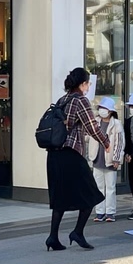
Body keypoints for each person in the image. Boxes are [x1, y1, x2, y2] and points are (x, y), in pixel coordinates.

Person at [45, 67, 111, 251]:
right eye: (88, 83)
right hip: (71, 153)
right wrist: (106, 142)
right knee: (91, 194)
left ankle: (52, 237)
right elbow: (92, 126)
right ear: (82, 84)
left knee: (59, 197)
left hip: (54, 154)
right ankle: (77, 232)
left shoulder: (62, 99)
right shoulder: (81, 100)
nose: (89, 86)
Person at [89, 96, 125, 223]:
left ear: (110, 111)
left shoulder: (116, 124)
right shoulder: (95, 122)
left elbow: (119, 143)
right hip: (97, 159)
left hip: (110, 160)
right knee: (98, 187)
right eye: (101, 108)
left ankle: (110, 212)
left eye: (104, 108)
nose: (102, 110)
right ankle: (99, 212)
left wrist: (117, 159)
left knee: (110, 187)